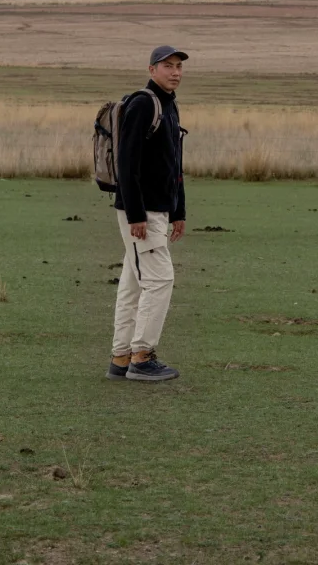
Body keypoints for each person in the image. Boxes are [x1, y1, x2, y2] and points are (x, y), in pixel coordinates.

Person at [108, 45, 188, 383]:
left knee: (132, 284)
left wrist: (179, 210)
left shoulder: (169, 105)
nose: (175, 72)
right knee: (160, 280)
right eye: (167, 66)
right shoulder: (144, 103)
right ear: (151, 69)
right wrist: (136, 213)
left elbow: (174, 164)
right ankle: (142, 356)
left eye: (178, 67)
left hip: (158, 211)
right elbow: (127, 163)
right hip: (141, 214)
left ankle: (121, 357)